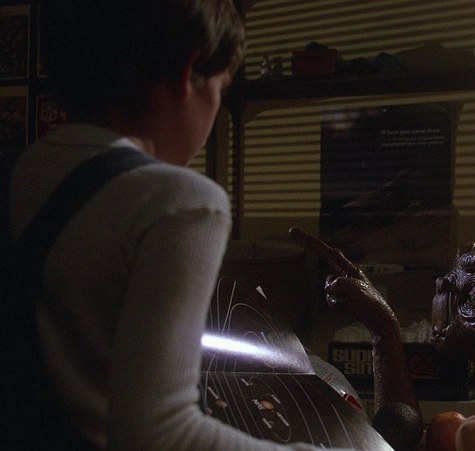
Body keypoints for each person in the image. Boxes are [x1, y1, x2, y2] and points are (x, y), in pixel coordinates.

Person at [7, 1, 332, 449]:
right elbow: (158, 432)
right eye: (220, 88)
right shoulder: (180, 201)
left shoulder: (23, 170)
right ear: (187, 73)